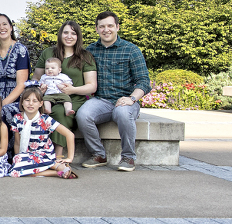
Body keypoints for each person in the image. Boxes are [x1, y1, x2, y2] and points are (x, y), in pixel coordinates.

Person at [77, 11, 151, 172]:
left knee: (123, 113)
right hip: (101, 100)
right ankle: (98, 154)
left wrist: (131, 98)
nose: (106, 30)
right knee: (83, 115)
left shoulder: (131, 50)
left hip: (125, 100)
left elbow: (144, 81)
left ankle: (128, 157)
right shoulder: (90, 51)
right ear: (96, 29)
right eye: (102, 26)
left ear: (117, 27)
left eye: (110, 26)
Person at [33, 21, 97, 159]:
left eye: (73, 33)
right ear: (60, 34)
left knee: (61, 112)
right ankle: (36, 152)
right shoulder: (48, 53)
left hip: (74, 99)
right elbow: (37, 77)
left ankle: (58, 155)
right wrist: (40, 89)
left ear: (78, 36)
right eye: (66, 32)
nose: (69, 36)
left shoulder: (85, 56)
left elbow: (92, 85)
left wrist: (72, 90)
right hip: (49, 96)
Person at [9, 87, 77, 178]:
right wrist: (18, 157)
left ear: (41, 103)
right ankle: (57, 171)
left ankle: (55, 165)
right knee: (16, 169)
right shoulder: (17, 118)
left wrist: (70, 157)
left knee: (19, 169)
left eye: (35, 101)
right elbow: (17, 143)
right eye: (27, 100)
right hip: (26, 155)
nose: (30, 103)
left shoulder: (45, 119)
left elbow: (69, 134)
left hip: (44, 155)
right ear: (22, 102)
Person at [0, 13, 29, 128]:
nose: (2, 27)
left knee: (3, 112)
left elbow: (21, 85)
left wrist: (2, 104)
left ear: (11, 28)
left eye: (5, 24)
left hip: (16, 99)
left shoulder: (20, 50)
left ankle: (8, 146)